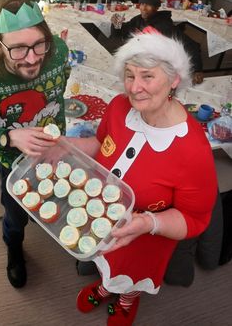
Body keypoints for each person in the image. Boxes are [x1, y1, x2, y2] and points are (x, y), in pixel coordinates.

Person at [72, 30, 217, 325]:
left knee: (132, 273)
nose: (134, 87)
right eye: (129, 74)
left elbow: (193, 218)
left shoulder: (193, 150)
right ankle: (103, 287)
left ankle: (126, 300)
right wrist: (63, 147)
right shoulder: (117, 107)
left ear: (174, 79)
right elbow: (102, 147)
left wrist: (149, 223)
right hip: (101, 215)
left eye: (147, 76)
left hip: (146, 238)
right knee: (104, 260)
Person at [0, 0, 70, 288]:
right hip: (14, 164)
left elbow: (61, 88)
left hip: (56, 151)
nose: (33, 58)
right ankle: (14, 246)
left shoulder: (58, 53)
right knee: (16, 215)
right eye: (18, 48)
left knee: (61, 197)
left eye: (39, 44)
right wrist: (10, 136)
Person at [110, 0, 204, 84]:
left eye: (148, 5)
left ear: (156, 8)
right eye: (142, 4)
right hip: (138, 61)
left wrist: (197, 70)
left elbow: (191, 45)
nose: (144, 8)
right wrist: (116, 25)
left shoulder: (164, 26)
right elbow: (122, 33)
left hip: (156, 66)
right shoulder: (138, 20)